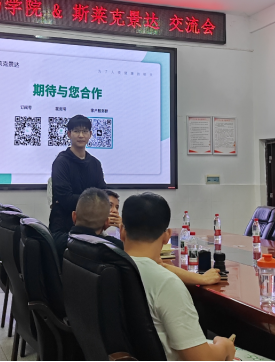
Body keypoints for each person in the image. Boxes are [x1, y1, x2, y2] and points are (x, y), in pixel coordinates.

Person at [120, 193, 236, 361]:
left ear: (122, 231)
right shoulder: (166, 284)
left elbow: (158, 265)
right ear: (167, 236)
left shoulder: (112, 267)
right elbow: (202, 360)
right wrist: (224, 346)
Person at [49, 115, 108, 257]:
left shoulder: (95, 163)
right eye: (76, 131)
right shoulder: (61, 162)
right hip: (64, 228)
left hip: (93, 227)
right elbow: (65, 199)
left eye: (85, 131)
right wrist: (95, 202)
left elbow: (103, 192)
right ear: (69, 134)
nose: (81, 135)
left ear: (90, 134)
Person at [56, 188, 123, 261]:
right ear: (106, 222)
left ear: (74, 216)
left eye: (117, 207)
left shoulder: (56, 242)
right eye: (110, 205)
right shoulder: (116, 248)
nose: (115, 211)